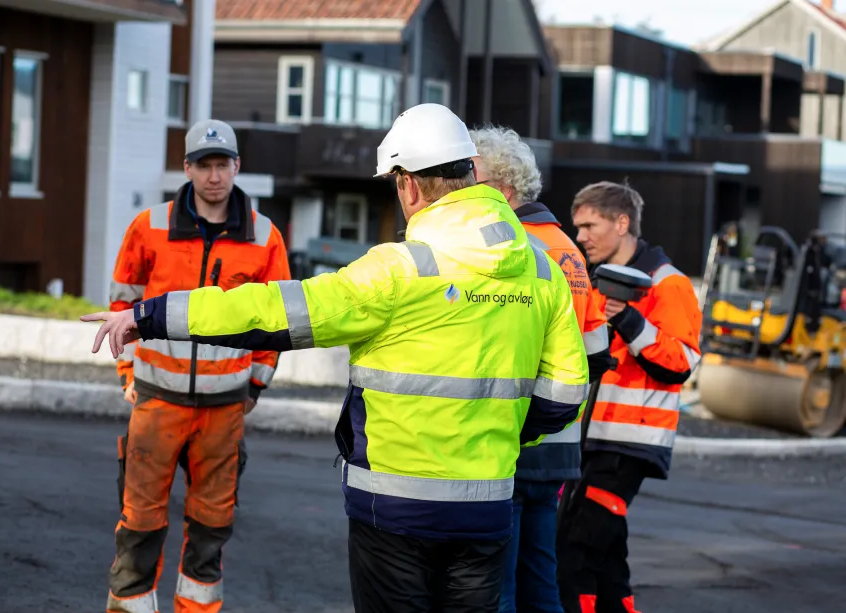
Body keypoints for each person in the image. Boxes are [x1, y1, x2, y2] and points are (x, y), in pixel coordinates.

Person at [82, 103, 590, 613]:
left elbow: (271, 310)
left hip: (394, 511)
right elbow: (567, 389)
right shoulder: (542, 271)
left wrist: (150, 316)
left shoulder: (399, 269)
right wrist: (501, 429)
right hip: (486, 506)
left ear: (407, 185)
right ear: (472, 172)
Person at [103, 119, 292, 613]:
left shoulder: (265, 237)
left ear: (236, 167)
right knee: (139, 520)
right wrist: (128, 375)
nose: (214, 176)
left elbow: (277, 321)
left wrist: (255, 384)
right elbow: (122, 303)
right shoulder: (151, 227)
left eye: (222, 164)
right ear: (187, 169)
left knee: (211, 527)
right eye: (204, 165)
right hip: (157, 400)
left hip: (224, 407)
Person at [469, 125, 612, 613]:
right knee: (540, 575)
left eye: (474, 179)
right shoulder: (567, 249)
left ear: (504, 191)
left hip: (514, 433)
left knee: (499, 584)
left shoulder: (509, 249)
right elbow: (595, 352)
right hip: (559, 441)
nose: (463, 190)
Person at [556, 181, 703, 613]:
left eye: (589, 225)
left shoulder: (667, 284)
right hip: (589, 439)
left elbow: (681, 362)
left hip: (628, 445)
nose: (580, 236)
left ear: (622, 223)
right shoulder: (596, 281)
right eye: (577, 226)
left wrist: (631, 322)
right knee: (604, 559)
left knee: (574, 549)